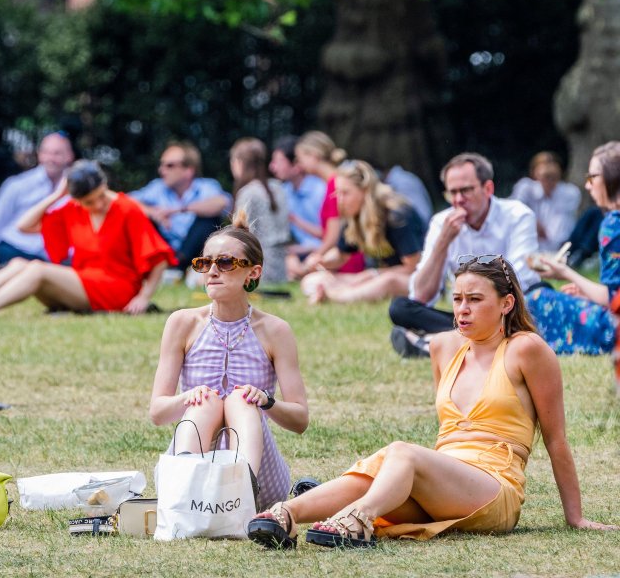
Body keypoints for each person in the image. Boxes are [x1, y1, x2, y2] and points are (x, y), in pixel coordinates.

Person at [248, 254, 616, 549]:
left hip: (495, 488)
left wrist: (575, 518)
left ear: (506, 303)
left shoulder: (527, 350)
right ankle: (284, 514)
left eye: (475, 300)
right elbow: (447, 434)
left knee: (402, 453)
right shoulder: (444, 347)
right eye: (457, 299)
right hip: (445, 478)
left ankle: (358, 517)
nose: (462, 310)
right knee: (380, 473)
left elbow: (556, 440)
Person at [149, 212, 309, 509]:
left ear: (253, 272)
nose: (212, 271)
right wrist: (188, 397)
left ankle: (242, 484)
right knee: (204, 401)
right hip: (190, 465)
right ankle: (186, 489)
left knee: (241, 400)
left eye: (225, 263)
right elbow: (158, 413)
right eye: (204, 263)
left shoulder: (274, 330)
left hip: (260, 477)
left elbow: (300, 420)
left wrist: (266, 401)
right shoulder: (182, 323)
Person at [0, 160, 176, 316]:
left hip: (116, 287)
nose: (97, 205)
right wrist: (56, 196)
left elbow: (159, 259)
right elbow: (23, 226)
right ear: (76, 200)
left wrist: (143, 297)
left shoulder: (127, 209)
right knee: (18, 263)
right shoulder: (73, 210)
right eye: (89, 202)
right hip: (83, 281)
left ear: (105, 185)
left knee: (37, 269)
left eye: (101, 196)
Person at [388, 153, 540, 358]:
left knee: (536, 299)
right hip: (467, 314)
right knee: (400, 308)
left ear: (488, 189)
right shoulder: (442, 223)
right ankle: (482, 340)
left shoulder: (517, 215)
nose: (459, 200)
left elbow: (520, 279)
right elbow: (422, 295)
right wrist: (443, 242)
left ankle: (431, 343)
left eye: (466, 190)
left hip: (506, 309)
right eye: (453, 193)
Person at [526, 142, 620, 355]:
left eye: (592, 178)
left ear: (610, 178)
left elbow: (613, 298)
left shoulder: (614, 224)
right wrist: (587, 293)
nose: (588, 185)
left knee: (538, 299)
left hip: (615, 328)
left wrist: (565, 272)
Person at [300, 160, 425, 304]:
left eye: (345, 193)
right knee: (313, 280)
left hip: (416, 281)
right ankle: (342, 291)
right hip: (375, 278)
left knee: (388, 281)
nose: (339, 200)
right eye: (337, 193)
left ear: (365, 190)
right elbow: (341, 255)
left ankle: (334, 297)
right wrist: (322, 261)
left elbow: (413, 268)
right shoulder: (354, 215)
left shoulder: (397, 216)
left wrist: (372, 274)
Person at [130, 141, 231, 269]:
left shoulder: (206, 186)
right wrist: (152, 213)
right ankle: (162, 264)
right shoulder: (158, 187)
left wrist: (179, 209)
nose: (162, 170)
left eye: (169, 165)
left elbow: (222, 203)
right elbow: (125, 201)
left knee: (207, 220)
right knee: (138, 216)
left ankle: (180, 265)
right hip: (166, 249)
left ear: (188, 170)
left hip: (197, 252)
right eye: (161, 165)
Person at [0, 131, 75, 264]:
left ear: (70, 156)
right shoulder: (17, 184)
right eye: (46, 152)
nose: (51, 158)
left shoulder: (77, 190)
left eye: (57, 153)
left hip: (51, 258)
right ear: (39, 154)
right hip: (13, 250)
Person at [289, 131, 365, 280]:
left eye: (300, 158)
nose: (299, 165)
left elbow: (332, 237)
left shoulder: (334, 186)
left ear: (313, 155)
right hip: (343, 257)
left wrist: (311, 261)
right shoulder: (334, 183)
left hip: (343, 262)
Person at [229, 138, 291, 283]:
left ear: (239, 163)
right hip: (281, 269)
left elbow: (240, 237)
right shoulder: (278, 187)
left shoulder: (247, 192)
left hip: (258, 270)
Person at [267, 135, 326, 258]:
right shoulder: (284, 191)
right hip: (301, 252)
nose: (272, 167)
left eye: (278, 161)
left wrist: (294, 220)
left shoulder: (321, 190)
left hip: (324, 252)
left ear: (296, 165)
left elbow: (329, 234)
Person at [511, 152, 581, 253]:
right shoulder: (525, 188)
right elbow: (514, 212)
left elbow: (561, 229)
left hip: (559, 245)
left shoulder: (569, 192)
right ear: (535, 174)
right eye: (546, 177)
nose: (549, 182)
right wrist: (533, 222)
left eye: (553, 177)